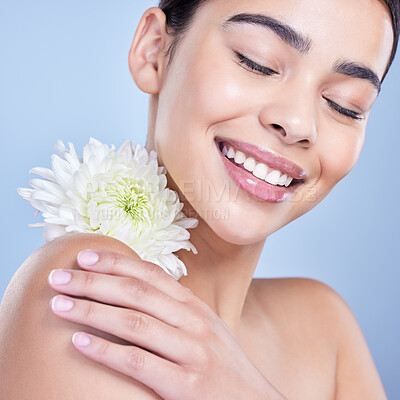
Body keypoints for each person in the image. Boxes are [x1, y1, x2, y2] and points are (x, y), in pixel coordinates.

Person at [0, 0, 398, 398]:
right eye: (256, 62)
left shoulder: (325, 328)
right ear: (153, 50)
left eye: (345, 104)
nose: (297, 123)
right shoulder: (87, 290)